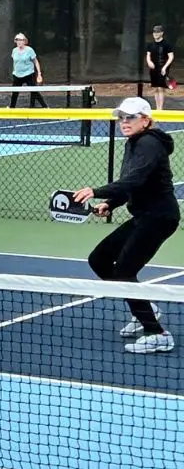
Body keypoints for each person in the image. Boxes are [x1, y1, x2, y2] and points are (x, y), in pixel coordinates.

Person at [73, 97, 179, 354]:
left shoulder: (149, 144)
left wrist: (95, 191)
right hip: (144, 215)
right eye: (121, 117)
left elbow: (135, 179)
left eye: (130, 117)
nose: (124, 122)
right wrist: (110, 204)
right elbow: (133, 184)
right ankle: (145, 307)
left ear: (146, 119)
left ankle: (158, 333)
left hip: (159, 217)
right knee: (99, 259)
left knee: (124, 271)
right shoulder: (135, 143)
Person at [8, 32, 47, 108]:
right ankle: (12, 107)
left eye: (21, 40)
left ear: (24, 41)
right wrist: (14, 71)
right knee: (14, 92)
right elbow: (15, 62)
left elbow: (35, 61)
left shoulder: (29, 50)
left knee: (34, 91)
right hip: (17, 75)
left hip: (29, 74)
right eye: (17, 40)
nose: (19, 41)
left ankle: (44, 107)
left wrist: (39, 74)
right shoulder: (14, 51)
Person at [145, 25, 175, 112]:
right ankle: (157, 107)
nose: (155, 34)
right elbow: (148, 56)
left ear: (162, 33)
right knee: (155, 88)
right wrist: (149, 62)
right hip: (153, 69)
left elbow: (171, 57)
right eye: (154, 32)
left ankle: (160, 109)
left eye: (157, 32)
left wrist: (165, 67)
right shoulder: (150, 45)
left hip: (163, 68)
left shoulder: (167, 44)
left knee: (161, 88)